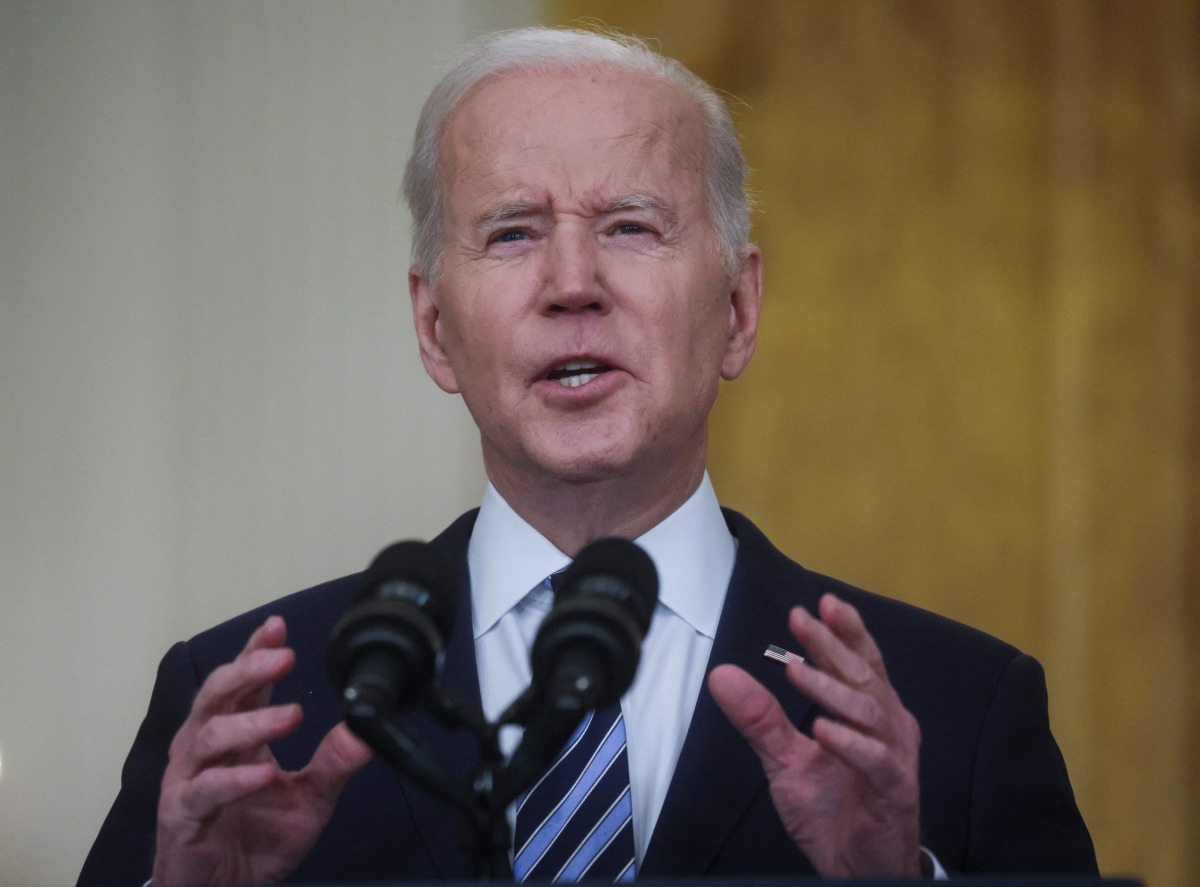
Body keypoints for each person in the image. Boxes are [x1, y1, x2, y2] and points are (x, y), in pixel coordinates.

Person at [78, 27, 1096, 885]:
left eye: (630, 226)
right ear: (434, 328)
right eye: (513, 233)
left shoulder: (954, 712)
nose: (573, 282)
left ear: (737, 310)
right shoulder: (254, 711)